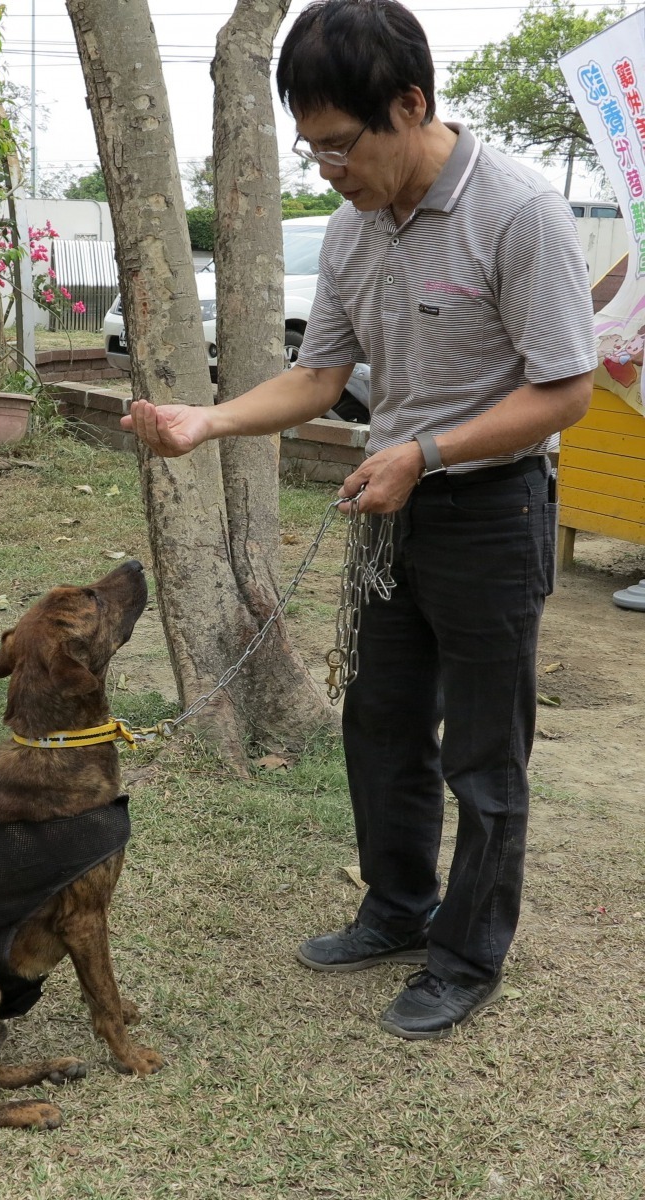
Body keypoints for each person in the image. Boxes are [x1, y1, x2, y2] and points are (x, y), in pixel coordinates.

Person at [121, 0, 595, 1039]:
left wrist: (421, 453)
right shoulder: (348, 229)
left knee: (481, 750)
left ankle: (466, 957)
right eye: (310, 147)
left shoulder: (517, 212)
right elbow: (318, 374)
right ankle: (395, 908)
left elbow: (564, 391)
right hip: (390, 515)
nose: (325, 167)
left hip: (488, 513)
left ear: (410, 104)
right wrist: (208, 420)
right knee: (379, 727)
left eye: (339, 144)